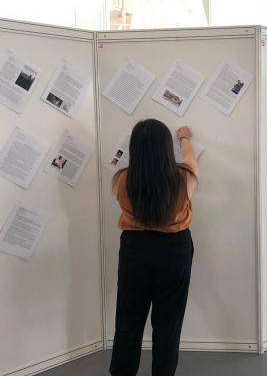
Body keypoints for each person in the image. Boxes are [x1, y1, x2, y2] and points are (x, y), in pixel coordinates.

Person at [110, 119, 198, 376]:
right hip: (174, 250)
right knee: (168, 324)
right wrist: (184, 137)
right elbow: (191, 159)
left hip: (134, 248)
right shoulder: (184, 177)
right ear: (165, 148)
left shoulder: (121, 180)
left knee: (128, 320)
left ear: (134, 148)